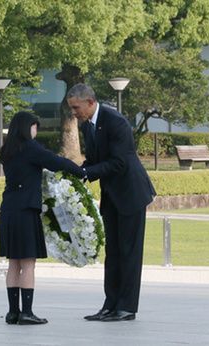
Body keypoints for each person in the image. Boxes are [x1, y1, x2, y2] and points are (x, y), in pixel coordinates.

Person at [67, 83, 156, 322]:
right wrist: (74, 172)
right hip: (112, 197)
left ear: (90, 102)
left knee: (129, 252)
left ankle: (126, 307)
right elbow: (95, 161)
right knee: (114, 252)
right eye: (72, 108)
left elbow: (119, 163)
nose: (74, 113)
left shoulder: (115, 121)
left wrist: (86, 173)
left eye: (76, 107)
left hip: (130, 194)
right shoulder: (88, 126)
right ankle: (111, 304)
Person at [0, 111, 85, 325]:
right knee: (28, 263)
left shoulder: (7, 150)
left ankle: (13, 312)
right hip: (26, 210)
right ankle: (27, 312)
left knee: (13, 263)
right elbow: (56, 162)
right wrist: (80, 171)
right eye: (34, 126)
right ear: (27, 127)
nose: (36, 130)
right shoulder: (30, 148)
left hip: (8, 210)